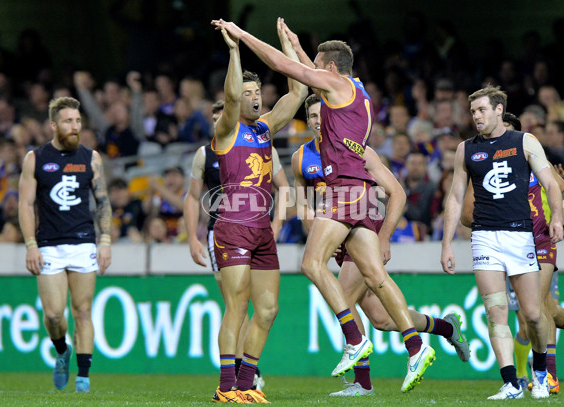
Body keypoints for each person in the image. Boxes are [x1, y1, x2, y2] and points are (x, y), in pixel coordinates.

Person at [212, 17, 435, 393]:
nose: (312, 71)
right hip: (362, 192)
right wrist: (296, 45)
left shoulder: (334, 84)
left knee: (311, 264)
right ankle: (415, 345)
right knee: (376, 276)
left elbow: (289, 72)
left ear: (330, 69)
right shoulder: (358, 88)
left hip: (343, 189)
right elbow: (301, 78)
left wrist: (242, 36)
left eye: (317, 65)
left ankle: (354, 339)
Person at [294, 94, 469, 397]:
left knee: (343, 297)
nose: (317, 121)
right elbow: (302, 207)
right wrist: (324, 238)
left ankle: (364, 381)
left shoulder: (357, 150)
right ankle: (446, 327)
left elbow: (397, 193)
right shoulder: (300, 157)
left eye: (322, 115)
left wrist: (384, 236)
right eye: (311, 116)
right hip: (336, 235)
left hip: (363, 228)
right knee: (382, 319)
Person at [441, 85, 564, 400]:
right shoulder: (465, 149)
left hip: (520, 236)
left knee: (533, 315)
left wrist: (557, 219)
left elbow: (551, 183)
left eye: (481, 110)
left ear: (499, 110)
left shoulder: (525, 142)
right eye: (472, 111)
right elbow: (455, 198)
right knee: (496, 312)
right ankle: (511, 382)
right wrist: (446, 242)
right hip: (484, 237)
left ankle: (539, 374)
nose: (476, 117)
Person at [205, 22, 307, 403]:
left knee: (267, 309)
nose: (254, 98)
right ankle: (225, 386)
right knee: (237, 305)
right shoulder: (226, 129)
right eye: (248, 92)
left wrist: (287, 47)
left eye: (258, 92)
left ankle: (247, 384)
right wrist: (234, 51)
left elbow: (297, 90)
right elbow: (229, 101)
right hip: (232, 226)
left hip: (262, 228)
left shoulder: (265, 130)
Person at [460, 112, 564, 394]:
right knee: (527, 317)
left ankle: (547, 375)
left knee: (538, 309)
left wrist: (559, 214)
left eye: (506, 133)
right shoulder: (490, 173)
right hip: (503, 243)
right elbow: (465, 215)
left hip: (541, 242)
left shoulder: (536, 165)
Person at [183, 100, 290, 391]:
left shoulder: (259, 144)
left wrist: (277, 223)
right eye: (218, 118)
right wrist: (192, 236)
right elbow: (192, 198)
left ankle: (244, 373)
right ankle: (240, 376)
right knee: (237, 304)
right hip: (225, 233)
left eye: (225, 116)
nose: (223, 121)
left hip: (257, 231)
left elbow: (284, 186)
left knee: (259, 308)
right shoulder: (205, 154)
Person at [18, 97, 112, 393]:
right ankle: (62, 351)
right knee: (54, 315)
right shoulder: (35, 158)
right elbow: (25, 203)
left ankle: (83, 378)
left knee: (83, 311)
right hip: (48, 245)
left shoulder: (90, 158)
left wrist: (106, 240)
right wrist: (31, 244)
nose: (75, 127)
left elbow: (103, 201)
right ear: (54, 125)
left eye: (78, 121)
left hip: (83, 242)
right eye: (69, 122)